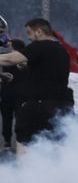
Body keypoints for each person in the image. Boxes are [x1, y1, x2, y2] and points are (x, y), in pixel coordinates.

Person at [0, 18, 73, 153]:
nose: (29, 38)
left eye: (29, 33)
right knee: (56, 145)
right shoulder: (62, 50)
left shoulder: (40, 45)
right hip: (61, 105)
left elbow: (9, 59)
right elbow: (46, 72)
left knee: (25, 144)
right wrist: (25, 67)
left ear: (39, 32)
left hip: (39, 105)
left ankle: (24, 167)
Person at [1, 38, 28, 150]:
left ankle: (9, 141)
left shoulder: (8, 57)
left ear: (13, 46)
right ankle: (18, 140)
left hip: (9, 93)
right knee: (19, 118)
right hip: (19, 93)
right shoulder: (25, 58)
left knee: (8, 118)